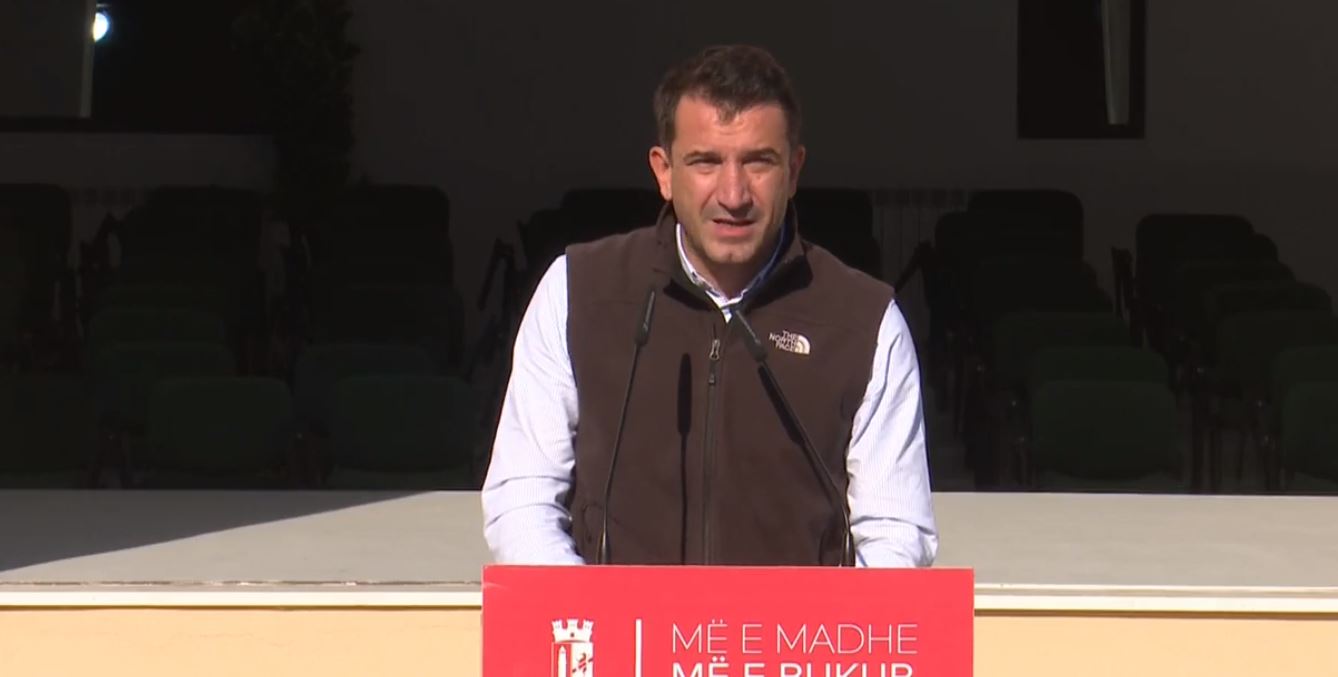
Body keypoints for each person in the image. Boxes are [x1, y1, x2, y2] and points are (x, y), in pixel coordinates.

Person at [481, 44, 936, 567]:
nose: (733, 194)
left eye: (759, 162)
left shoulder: (865, 322)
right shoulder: (577, 292)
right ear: (664, 171)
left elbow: (896, 535)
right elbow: (523, 501)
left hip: (794, 623)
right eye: (706, 162)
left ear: (794, 171)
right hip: (610, 620)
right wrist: (590, 610)